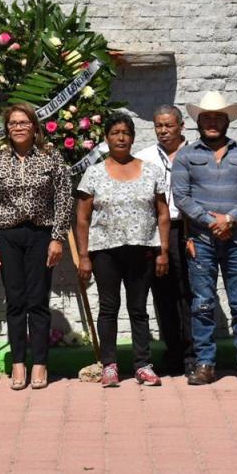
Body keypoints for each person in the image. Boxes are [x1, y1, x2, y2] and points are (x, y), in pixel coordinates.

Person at [172, 91, 237, 386]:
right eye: (207, 117)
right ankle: (204, 363)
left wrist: (230, 218)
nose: (212, 122)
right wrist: (212, 221)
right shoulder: (187, 155)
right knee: (201, 303)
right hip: (201, 242)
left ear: (227, 120)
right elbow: (181, 197)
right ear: (199, 121)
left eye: (218, 117)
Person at [0, 103, 72, 390]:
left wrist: (57, 237)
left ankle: (40, 364)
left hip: (40, 234)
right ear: (7, 128)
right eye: (13, 123)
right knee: (16, 301)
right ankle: (18, 363)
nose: (18, 127)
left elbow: (64, 198)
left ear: (34, 126)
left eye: (24, 122)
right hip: (8, 236)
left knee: (38, 300)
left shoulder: (51, 157)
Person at [75, 112, 170, 388]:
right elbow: (82, 218)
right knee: (109, 308)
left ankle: (142, 364)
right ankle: (110, 365)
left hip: (142, 250)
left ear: (132, 137)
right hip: (105, 251)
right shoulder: (94, 173)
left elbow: (162, 214)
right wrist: (84, 256)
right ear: (106, 138)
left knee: (138, 309)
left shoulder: (150, 170)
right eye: (115, 132)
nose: (121, 137)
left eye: (126, 133)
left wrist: (163, 250)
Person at [135, 104, 196, 377]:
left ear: (181, 126)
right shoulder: (144, 157)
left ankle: (192, 354)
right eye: (158, 125)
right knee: (163, 293)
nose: (163, 130)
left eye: (168, 125)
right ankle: (172, 352)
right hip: (159, 229)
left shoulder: (196, 152)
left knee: (190, 291)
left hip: (189, 227)